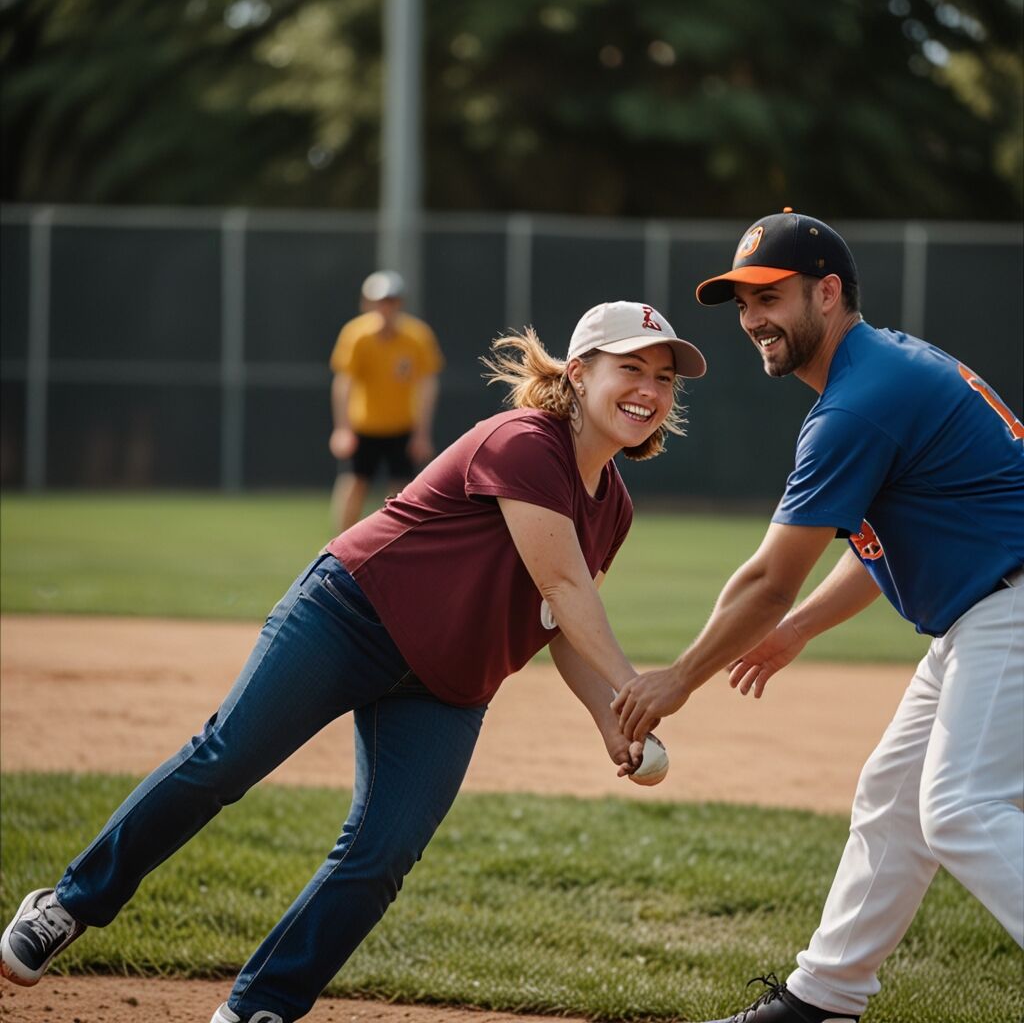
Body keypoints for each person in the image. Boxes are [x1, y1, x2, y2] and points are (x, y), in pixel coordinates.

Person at [0, 301, 708, 1023]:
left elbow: (559, 622)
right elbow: (562, 583)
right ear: (580, 373)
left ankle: (258, 1008)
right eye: (631, 369)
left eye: (663, 378)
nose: (649, 390)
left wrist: (610, 719)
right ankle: (69, 904)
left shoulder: (612, 506)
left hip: (448, 687)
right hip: (350, 618)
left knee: (383, 852)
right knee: (224, 760)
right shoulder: (527, 440)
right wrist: (638, 688)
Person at [612, 210, 1024, 1023]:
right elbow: (879, 547)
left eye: (770, 297)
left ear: (827, 293)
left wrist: (678, 680)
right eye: (741, 303)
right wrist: (798, 629)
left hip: (1010, 609)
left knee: (959, 809)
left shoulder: (857, 405)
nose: (753, 320)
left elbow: (769, 577)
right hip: (986, 612)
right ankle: (823, 1000)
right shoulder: (883, 370)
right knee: (893, 799)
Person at [328, 270, 444, 532]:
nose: (385, 308)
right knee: (353, 485)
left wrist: (422, 433)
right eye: (379, 301)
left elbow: (427, 385)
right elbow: (344, 382)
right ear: (367, 303)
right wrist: (343, 429)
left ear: (399, 303)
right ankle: (338, 546)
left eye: (390, 301)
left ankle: (395, 547)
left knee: (402, 494)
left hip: (401, 426)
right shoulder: (356, 335)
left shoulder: (417, 337)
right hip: (364, 426)